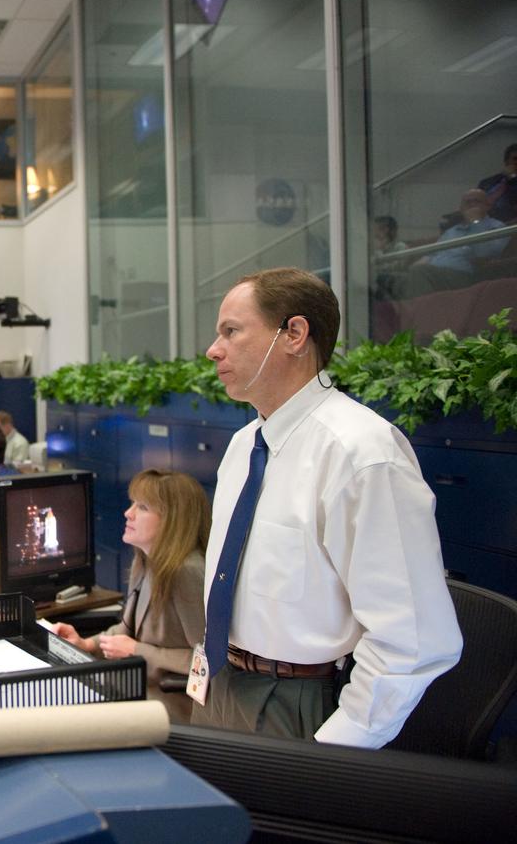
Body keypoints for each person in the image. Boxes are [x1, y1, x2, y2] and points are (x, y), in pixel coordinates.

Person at [192, 267, 460, 747]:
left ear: (294, 334)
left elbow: (415, 639)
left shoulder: (362, 453)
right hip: (218, 683)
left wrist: (337, 749)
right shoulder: (243, 446)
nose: (215, 349)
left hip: (298, 704)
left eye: (231, 331)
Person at [50, 469, 209, 722]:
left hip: (169, 707)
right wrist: (87, 644)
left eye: (143, 507)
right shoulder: (145, 562)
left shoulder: (187, 572)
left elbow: (207, 662)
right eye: (132, 503)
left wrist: (137, 650)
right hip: (132, 688)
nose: (128, 513)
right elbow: (127, 630)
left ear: (173, 520)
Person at [399, 188, 507, 298]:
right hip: (433, 273)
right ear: (461, 208)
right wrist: (410, 271)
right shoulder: (452, 231)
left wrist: (476, 222)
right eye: (467, 202)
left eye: (476, 201)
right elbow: (431, 255)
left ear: (487, 205)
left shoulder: (496, 227)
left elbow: (484, 255)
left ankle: (419, 313)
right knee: (391, 279)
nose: (472, 204)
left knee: (419, 273)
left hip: (464, 276)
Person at [478, 142, 517, 224]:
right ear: (506, 162)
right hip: (491, 228)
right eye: (515, 159)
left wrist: (513, 179)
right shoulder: (487, 183)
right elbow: (479, 205)